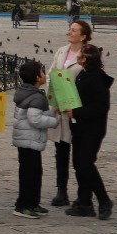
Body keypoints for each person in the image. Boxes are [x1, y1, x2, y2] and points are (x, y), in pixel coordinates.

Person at [49, 18, 92, 207]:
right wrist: (54, 99)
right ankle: (61, 191)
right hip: (60, 109)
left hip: (78, 111)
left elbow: (91, 81)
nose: (70, 32)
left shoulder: (89, 54)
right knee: (61, 151)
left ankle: (84, 194)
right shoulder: (61, 52)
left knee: (80, 155)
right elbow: (52, 75)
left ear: (83, 36)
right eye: (70, 29)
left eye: (74, 30)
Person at [67, 43, 113, 219]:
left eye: (80, 56)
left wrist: (77, 112)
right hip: (79, 127)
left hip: (92, 129)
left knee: (86, 163)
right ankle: (84, 202)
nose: (77, 58)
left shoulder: (97, 78)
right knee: (79, 164)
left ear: (85, 59)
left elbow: (101, 106)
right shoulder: (83, 74)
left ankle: (104, 200)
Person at [11, 59, 59, 218]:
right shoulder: (36, 97)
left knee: (34, 172)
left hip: (26, 140)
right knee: (29, 174)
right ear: (38, 77)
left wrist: (53, 110)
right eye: (42, 72)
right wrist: (54, 121)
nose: (45, 74)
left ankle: (33, 203)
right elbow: (35, 119)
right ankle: (23, 205)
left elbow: (37, 113)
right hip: (29, 140)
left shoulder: (26, 92)